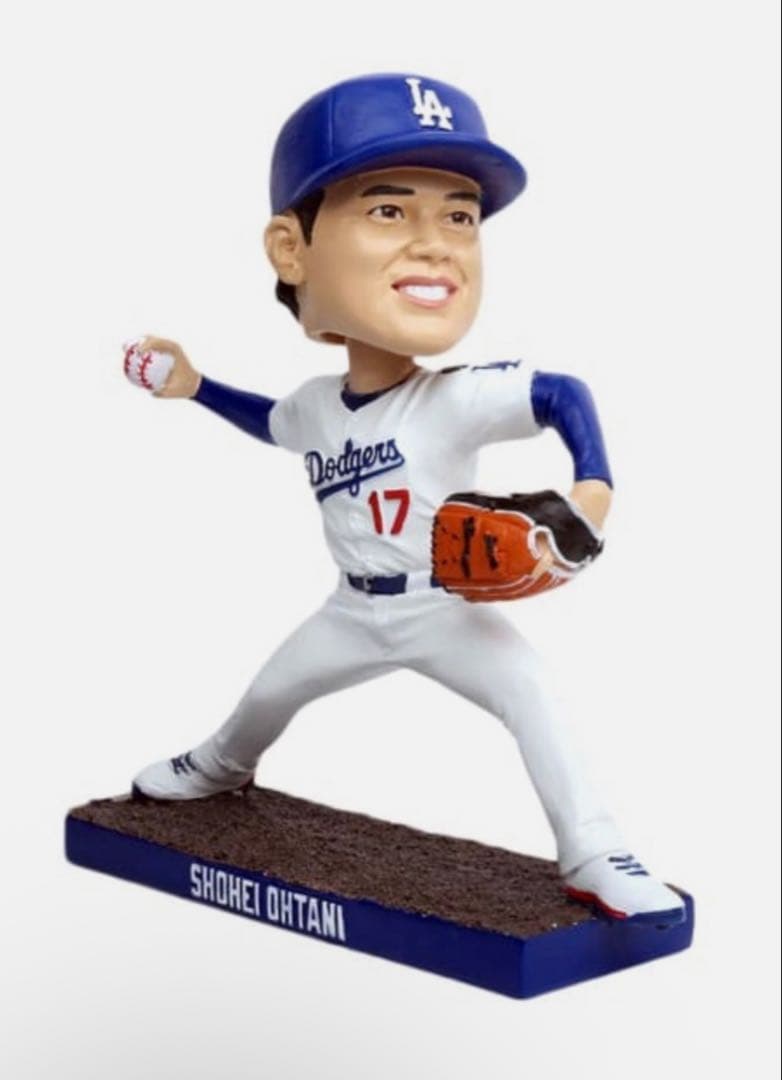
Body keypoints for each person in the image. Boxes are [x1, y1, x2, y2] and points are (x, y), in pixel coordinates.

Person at [129, 73, 685, 926]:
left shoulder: (453, 397)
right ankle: (218, 768)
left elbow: (561, 394)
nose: (436, 244)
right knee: (269, 696)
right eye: (389, 210)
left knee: (532, 696)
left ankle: (596, 851)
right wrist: (197, 387)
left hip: (441, 606)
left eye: (460, 217)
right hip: (350, 610)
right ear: (291, 249)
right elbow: (271, 422)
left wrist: (593, 491)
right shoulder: (317, 406)